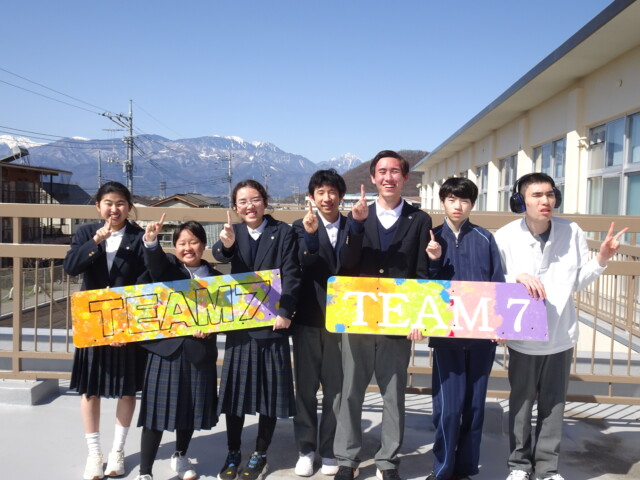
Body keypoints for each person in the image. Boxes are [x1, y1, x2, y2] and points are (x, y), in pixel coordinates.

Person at [494, 173, 627, 480]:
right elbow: (494, 280)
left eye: (550, 194)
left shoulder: (572, 231)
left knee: (553, 404)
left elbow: (577, 280)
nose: (546, 201)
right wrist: (515, 277)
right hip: (523, 335)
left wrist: (602, 258)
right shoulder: (505, 236)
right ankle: (518, 465)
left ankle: (547, 468)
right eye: (537, 195)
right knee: (521, 403)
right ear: (520, 201)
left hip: (560, 334)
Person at [333, 150, 439, 480]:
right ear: (373, 178)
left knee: (393, 394)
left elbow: (421, 272)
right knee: (351, 391)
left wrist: (419, 317)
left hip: (398, 319)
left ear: (405, 178)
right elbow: (345, 265)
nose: (388, 177)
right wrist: (357, 225)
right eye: (382, 171)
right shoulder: (357, 215)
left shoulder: (419, 220)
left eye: (395, 171)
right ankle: (347, 458)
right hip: (358, 316)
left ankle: (388, 460)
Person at [213, 179, 301, 480]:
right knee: (235, 394)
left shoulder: (283, 232)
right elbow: (220, 255)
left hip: (272, 323)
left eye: (255, 199)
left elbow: (292, 274)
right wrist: (225, 245)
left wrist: (286, 311)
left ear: (265, 201)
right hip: (240, 326)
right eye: (243, 201)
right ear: (235, 207)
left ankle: (260, 453)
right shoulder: (233, 233)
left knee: (269, 394)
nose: (249, 206)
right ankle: (233, 451)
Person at [421, 177, 505, 480]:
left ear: (472, 204)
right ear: (443, 202)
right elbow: (422, 286)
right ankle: (442, 469)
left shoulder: (484, 238)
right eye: (452, 199)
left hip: (482, 337)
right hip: (447, 337)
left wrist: (499, 324)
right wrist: (433, 261)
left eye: (465, 200)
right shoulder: (432, 237)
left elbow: (497, 282)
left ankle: (467, 468)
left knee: (475, 406)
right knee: (448, 408)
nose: (458, 206)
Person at [63, 181, 147, 480]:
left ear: (129, 207)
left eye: (121, 203)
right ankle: (94, 453)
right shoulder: (86, 233)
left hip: (126, 322)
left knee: (127, 389)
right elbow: (71, 267)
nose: (115, 209)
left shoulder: (139, 236)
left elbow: (146, 281)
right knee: (90, 389)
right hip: (93, 321)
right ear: (98, 206)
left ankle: (117, 451)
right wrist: (97, 241)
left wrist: (123, 327)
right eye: (109, 203)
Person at [134, 218, 221, 480]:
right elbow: (155, 264)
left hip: (199, 351)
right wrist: (151, 242)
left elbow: (227, 316)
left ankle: (180, 456)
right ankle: (145, 471)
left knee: (189, 410)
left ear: (203, 244)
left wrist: (212, 328)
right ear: (174, 247)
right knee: (155, 414)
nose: (187, 248)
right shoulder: (169, 267)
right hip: (166, 351)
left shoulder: (218, 279)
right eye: (182, 243)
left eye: (193, 242)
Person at [291, 169, 350, 477]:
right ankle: (306, 448)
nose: (327, 198)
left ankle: (329, 449)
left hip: (343, 322)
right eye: (320, 193)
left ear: (341, 195)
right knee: (305, 387)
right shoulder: (298, 227)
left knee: (336, 389)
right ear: (311, 197)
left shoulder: (354, 226)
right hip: (309, 317)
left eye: (332, 192)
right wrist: (312, 236)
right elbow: (301, 264)